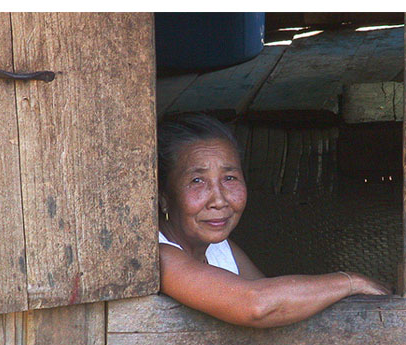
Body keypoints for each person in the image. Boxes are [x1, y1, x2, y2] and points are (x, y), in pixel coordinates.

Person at [157, 113, 390, 328]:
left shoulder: (220, 249)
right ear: (164, 197)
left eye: (230, 178)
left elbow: (278, 301)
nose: (219, 200)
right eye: (197, 181)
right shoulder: (159, 256)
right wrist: (350, 281)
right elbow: (256, 305)